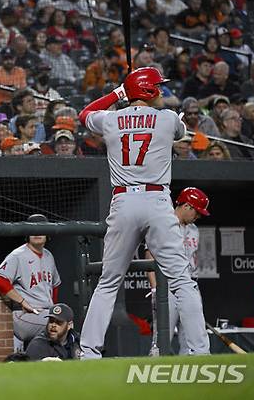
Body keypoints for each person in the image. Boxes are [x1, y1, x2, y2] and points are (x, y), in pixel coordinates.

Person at [78, 66, 210, 359]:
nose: (161, 91)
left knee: (109, 280)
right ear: (148, 91)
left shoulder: (111, 119)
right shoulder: (167, 119)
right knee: (181, 280)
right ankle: (200, 351)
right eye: (157, 87)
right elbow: (180, 130)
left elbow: (84, 114)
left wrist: (117, 94)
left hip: (123, 201)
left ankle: (88, 353)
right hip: (156, 201)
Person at [145, 187, 210, 355]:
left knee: (191, 338)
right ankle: (153, 375)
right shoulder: (164, 223)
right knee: (162, 338)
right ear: (187, 206)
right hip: (168, 287)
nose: (198, 216)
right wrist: (155, 288)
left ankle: (191, 375)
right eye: (196, 212)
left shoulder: (194, 229)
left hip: (191, 283)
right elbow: (150, 255)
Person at [0, 214, 61, 344]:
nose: (37, 233)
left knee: (65, 321)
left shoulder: (49, 256)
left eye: (41, 229)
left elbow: (55, 284)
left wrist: (54, 308)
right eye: (32, 230)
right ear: (27, 234)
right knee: (58, 325)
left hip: (46, 313)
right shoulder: (18, 255)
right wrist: (23, 301)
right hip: (25, 314)